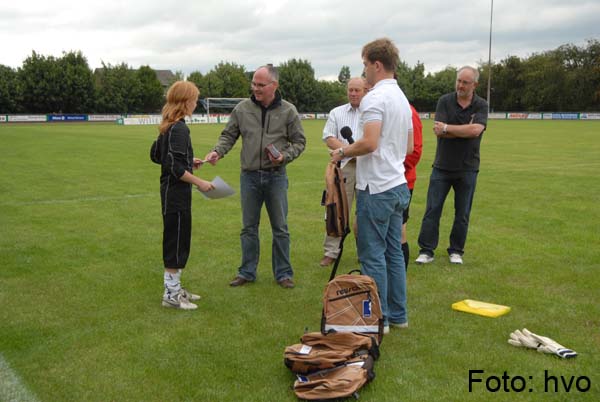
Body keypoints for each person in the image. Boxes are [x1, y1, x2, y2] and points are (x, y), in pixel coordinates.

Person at [331, 38, 413, 333]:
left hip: (376, 188)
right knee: (393, 251)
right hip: (397, 184)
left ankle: (379, 319)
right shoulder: (402, 98)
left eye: (365, 64)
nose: (363, 70)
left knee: (372, 255)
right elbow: (409, 145)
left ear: (377, 65)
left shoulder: (374, 98)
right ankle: (398, 315)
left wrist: (341, 152)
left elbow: (368, 142)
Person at [204, 65, 306, 288]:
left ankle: (283, 273)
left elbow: (299, 142)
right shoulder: (242, 109)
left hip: (276, 176)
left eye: (261, 85)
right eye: (254, 83)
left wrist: (284, 157)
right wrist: (217, 151)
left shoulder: (288, 111)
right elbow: (228, 135)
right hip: (249, 177)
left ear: (274, 86)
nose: (255, 89)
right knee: (248, 227)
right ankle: (247, 272)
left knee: (280, 228)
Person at [415, 66, 488, 265]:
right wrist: (462, 129)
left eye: (465, 82)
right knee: (432, 210)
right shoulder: (445, 101)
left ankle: (456, 251)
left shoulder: (481, 105)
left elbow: (475, 131)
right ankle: (426, 250)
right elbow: (439, 131)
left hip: (468, 167)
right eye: (459, 81)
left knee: (462, 213)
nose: (460, 85)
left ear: (475, 85)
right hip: (442, 166)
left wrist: (449, 128)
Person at [158, 81, 215, 310]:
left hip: (172, 192)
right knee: (176, 241)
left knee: (178, 238)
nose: (196, 103)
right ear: (185, 101)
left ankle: (175, 288)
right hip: (176, 194)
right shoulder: (179, 128)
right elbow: (173, 167)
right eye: (194, 99)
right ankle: (171, 295)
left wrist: (188, 162)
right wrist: (200, 182)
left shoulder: (168, 125)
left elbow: (158, 155)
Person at [319, 77, 368, 267]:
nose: (353, 94)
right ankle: (331, 251)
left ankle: (365, 252)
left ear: (365, 91)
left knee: (365, 212)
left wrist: (356, 153)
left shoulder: (372, 111)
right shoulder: (337, 112)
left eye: (357, 90)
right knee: (335, 208)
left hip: (367, 168)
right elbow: (329, 137)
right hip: (344, 167)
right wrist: (350, 152)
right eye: (351, 90)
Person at [401, 104, 423, 271]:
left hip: (401, 181)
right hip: (379, 182)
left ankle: (399, 277)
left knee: (398, 231)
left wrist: (392, 169)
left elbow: (414, 152)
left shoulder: (408, 111)